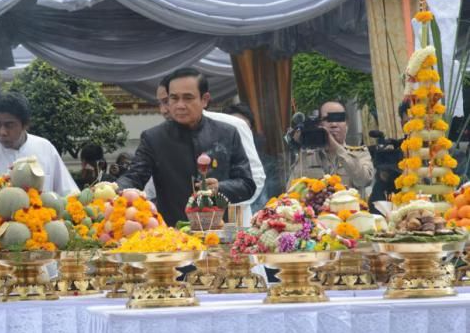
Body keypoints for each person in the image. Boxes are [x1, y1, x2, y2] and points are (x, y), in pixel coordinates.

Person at [117, 68, 256, 226]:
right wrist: (114, 188)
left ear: (205, 99)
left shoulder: (227, 134)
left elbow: (247, 185)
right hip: (173, 233)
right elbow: (134, 177)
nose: (180, 105)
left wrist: (220, 187)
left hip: (219, 232)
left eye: (188, 98)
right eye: (174, 98)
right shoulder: (153, 138)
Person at [0, 92, 79, 213]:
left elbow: (69, 195)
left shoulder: (45, 149)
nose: (2, 132)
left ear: (25, 125)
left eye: (9, 125)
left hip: (42, 226)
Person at [288, 101, 374, 194]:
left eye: (339, 119)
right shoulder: (307, 156)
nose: (333, 124)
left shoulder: (359, 153)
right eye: (327, 119)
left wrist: (336, 147)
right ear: (319, 124)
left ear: (347, 124)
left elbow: (363, 181)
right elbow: (290, 190)